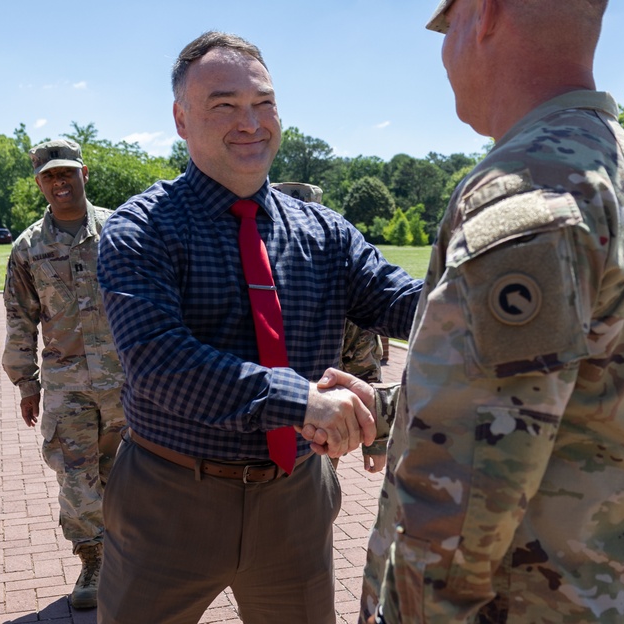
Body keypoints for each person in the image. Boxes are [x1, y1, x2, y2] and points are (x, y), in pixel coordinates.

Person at [330, 1, 624, 622]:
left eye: (446, 27)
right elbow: (558, 389)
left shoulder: (531, 187)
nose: (444, 53)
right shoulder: (608, 161)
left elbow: (465, 498)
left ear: (484, 14)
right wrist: (393, 409)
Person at [95, 32, 422, 623]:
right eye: (223, 105)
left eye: (263, 103)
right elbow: (159, 362)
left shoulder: (325, 233)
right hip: (169, 498)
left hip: (294, 501)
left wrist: (488, 290)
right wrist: (301, 402)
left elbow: (403, 301)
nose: (250, 122)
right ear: (180, 119)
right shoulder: (142, 229)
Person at [1, 138, 124, 610]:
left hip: (124, 382)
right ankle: (92, 558)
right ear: (39, 183)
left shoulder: (120, 231)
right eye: (49, 176)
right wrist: (25, 383)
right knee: (76, 477)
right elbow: (19, 318)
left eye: (66, 173)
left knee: (129, 472)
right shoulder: (28, 248)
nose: (59, 182)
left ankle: (131, 555)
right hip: (66, 386)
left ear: (84, 173)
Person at [272, 181, 390, 474]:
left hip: (320, 436)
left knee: (313, 513)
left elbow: (363, 363)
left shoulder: (338, 277)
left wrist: (375, 441)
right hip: (240, 435)